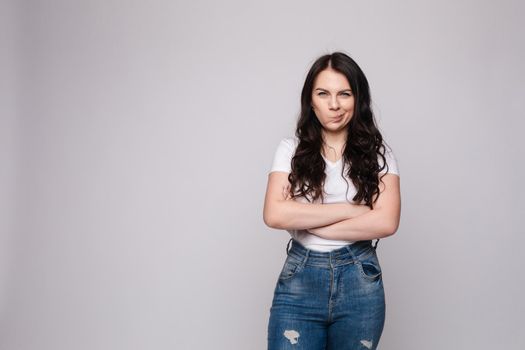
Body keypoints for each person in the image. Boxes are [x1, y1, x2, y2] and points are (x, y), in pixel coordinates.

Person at [263, 51, 401, 350]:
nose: (334, 105)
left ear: (358, 99)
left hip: (360, 280)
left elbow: (386, 222)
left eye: (344, 94)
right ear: (310, 100)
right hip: (301, 278)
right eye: (323, 93)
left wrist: (307, 217)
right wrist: (353, 210)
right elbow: (274, 215)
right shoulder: (290, 150)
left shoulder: (380, 154)